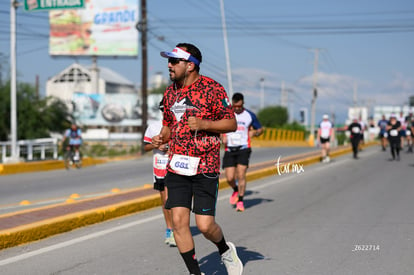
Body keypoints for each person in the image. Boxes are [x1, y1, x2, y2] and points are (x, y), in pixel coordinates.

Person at [152, 43, 243, 275]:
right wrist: (161, 137)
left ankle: (224, 250)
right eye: (169, 61)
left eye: (174, 61)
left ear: (190, 65)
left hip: (205, 166)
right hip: (177, 165)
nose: (169, 65)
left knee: (205, 226)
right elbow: (168, 126)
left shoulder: (213, 89)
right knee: (179, 224)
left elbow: (231, 123)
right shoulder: (170, 92)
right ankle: (195, 272)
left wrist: (205, 124)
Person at [222, 92, 263, 212]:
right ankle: (235, 189)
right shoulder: (226, 114)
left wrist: (255, 133)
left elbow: (260, 129)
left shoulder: (249, 115)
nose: (237, 109)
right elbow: (218, 127)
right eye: (235, 107)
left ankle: (240, 200)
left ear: (243, 104)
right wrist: (221, 136)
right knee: (229, 178)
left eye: (239, 106)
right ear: (232, 104)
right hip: (229, 148)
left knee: (241, 175)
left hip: (244, 148)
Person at [143, 100, 176, 247]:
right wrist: (156, 145)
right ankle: (170, 229)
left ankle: (177, 229)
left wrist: (171, 147)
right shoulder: (153, 127)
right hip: (160, 168)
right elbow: (146, 147)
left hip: (176, 166)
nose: (166, 112)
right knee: (165, 201)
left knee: (172, 200)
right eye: (163, 110)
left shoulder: (178, 126)